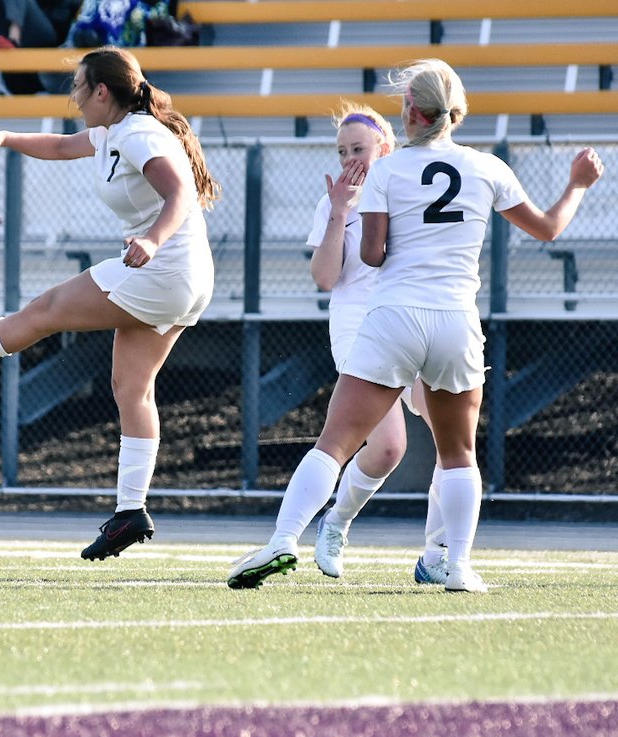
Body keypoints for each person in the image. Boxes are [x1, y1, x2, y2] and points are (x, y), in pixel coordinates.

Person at [229, 58, 603, 593]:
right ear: (454, 113)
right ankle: (457, 566)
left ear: (409, 113)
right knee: (458, 454)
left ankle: (283, 539)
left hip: (396, 315)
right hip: (455, 318)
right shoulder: (488, 167)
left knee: (334, 443)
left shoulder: (385, 171)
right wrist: (578, 184)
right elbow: (546, 228)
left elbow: (375, 254)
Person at [0, 45, 220, 562]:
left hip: (164, 269)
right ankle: (131, 511)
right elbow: (60, 147)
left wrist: (149, 240)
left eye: (78, 86)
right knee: (132, 388)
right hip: (186, 277)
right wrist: (4, 136)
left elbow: (182, 197)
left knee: (42, 313)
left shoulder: (140, 134)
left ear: (102, 91)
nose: (74, 97)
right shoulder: (114, 130)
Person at [303, 102, 450, 585]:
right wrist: (340, 212)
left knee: (455, 439)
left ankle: (439, 552)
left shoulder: (407, 189)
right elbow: (326, 278)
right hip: (358, 326)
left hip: (411, 317)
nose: (350, 159)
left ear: (385, 148)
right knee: (388, 448)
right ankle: (336, 521)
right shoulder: (333, 203)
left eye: (359, 149)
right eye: (342, 150)